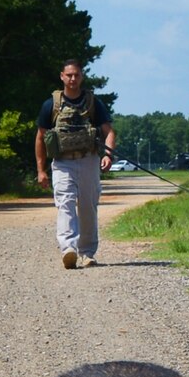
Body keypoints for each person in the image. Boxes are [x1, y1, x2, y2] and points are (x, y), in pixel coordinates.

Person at [35, 59, 115, 269]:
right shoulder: (50, 105)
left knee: (88, 208)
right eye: (69, 75)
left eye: (76, 75)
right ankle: (68, 249)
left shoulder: (93, 103)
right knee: (65, 204)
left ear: (82, 76)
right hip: (62, 163)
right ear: (62, 76)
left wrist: (107, 155)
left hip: (89, 161)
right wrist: (41, 170)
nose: (72, 79)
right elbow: (40, 138)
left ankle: (87, 253)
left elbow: (109, 132)